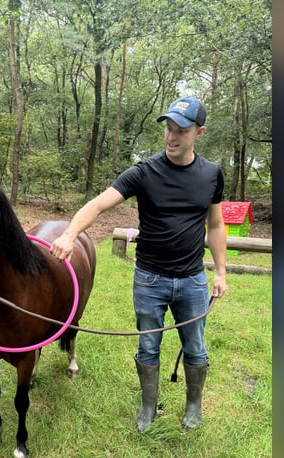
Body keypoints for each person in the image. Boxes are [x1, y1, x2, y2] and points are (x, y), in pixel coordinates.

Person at [50, 96, 227, 432]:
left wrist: (220, 272)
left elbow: (216, 226)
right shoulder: (144, 172)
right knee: (148, 344)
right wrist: (70, 233)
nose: (171, 137)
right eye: (169, 129)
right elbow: (99, 204)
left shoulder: (211, 175)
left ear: (199, 133)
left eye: (181, 131)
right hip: (150, 280)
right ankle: (148, 407)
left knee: (196, 345)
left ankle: (193, 406)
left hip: (192, 280)